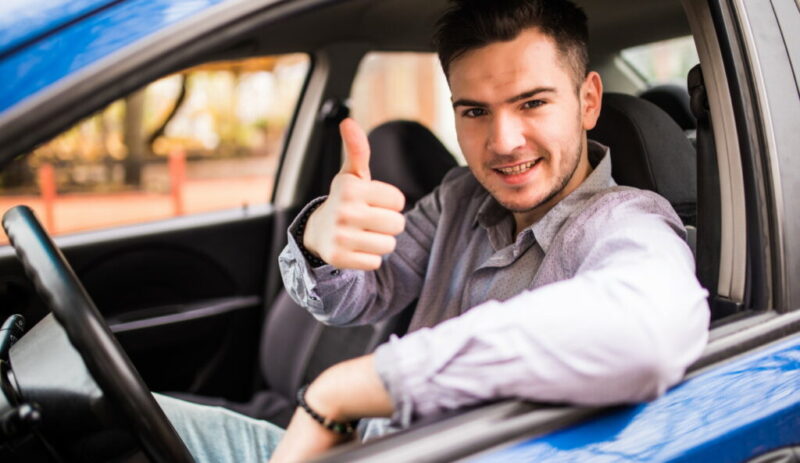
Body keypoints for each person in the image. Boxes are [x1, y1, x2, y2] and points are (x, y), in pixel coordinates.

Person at [157, 0, 710, 461]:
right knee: (112, 414)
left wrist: (350, 389)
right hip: (353, 446)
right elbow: (358, 299)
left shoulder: (626, 221)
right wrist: (321, 243)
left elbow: (649, 331)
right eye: (474, 112)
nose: (504, 141)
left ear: (587, 101)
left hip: (366, 437)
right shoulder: (458, 197)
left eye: (533, 103)